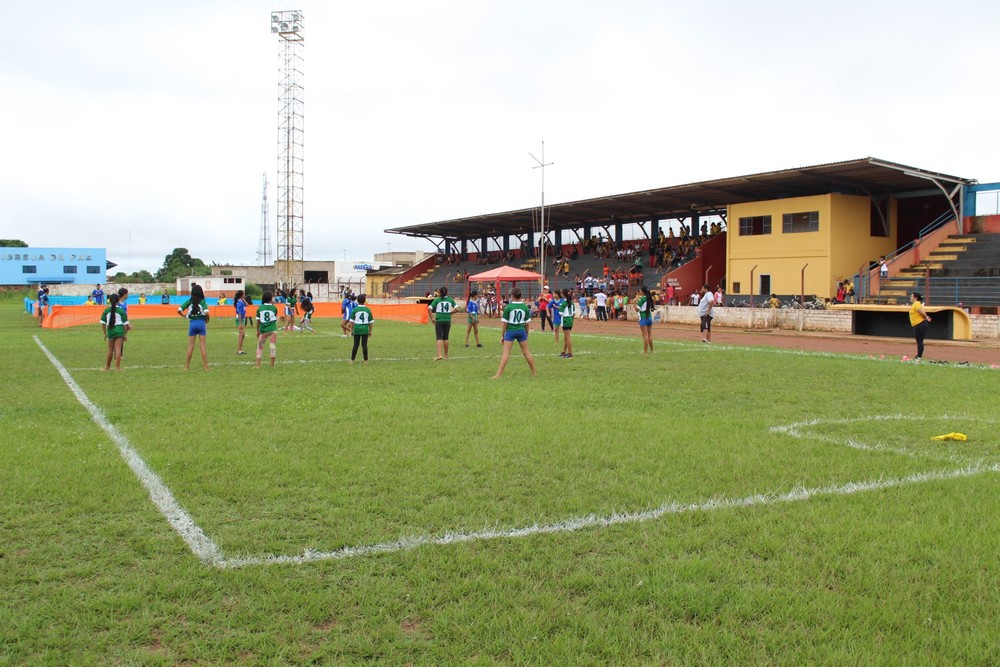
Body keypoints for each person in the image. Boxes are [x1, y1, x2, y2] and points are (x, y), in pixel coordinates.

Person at [492, 287, 537, 379]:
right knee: (527, 353)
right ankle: (534, 373)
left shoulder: (508, 307)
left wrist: (502, 335)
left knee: (506, 353)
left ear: (512, 296)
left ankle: (499, 374)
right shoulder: (525, 307)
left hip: (510, 331)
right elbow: (527, 324)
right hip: (521, 331)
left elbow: (505, 324)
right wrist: (526, 334)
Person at [178, 284, 210, 371]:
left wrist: (184, 316)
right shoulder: (203, 302)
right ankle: (206, 367)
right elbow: (206, 312)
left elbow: (179, 309)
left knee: (191, 346)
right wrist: (207, 319)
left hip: (192, 323)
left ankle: (187, 366)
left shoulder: (189, 301)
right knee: (202, 345)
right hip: (201, 323)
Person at [99, 293, 129, 372]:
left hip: (110, 330)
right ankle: (117, 367)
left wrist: (105, 334)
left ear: (109, 301)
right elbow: (125, 325)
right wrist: (125, 335)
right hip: (119, 330)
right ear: (118, 301)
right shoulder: (121, 310)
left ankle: (107, 367)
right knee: (118, 349)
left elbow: (103, 323)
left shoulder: (106, 310)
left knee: (110, 349)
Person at [428, 285, 458, 360]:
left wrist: (432, 318)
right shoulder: (450, 300)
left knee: (439, 337)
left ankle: (439, 355)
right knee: (446, 337)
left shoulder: (437, 300)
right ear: (447, 292)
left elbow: (429, 308)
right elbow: (457, 309)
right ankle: (446, 356)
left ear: (439, 293)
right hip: (447, 320)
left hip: (439, 320)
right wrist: (450, 313)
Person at [255, 291, 279, 368]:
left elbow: (258, 320)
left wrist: (257, 330)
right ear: (270, 298)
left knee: (260, 347)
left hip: (263, 330)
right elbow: (275, 316)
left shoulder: (260, 308)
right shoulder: (274, 307)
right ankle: (272, 365)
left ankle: (258, 365)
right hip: (273, 329)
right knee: (272, 346)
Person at [349, 293, 374, 363]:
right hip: (365, 328)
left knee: (356, 344)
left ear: (357, 300)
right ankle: (366, 360)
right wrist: (370, 330)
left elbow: (351, 322)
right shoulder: (368, 310)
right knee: (364, 345)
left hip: (357, 328)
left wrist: (352, 330)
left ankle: (352, 360)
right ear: (365, 300)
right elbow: (371, 322)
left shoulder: (355, 310)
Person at [909, 292, 932, 362]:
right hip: (918, 324)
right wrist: (926, 317)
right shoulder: (916, 304)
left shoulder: (917, 304)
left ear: (915, 298)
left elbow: (921, 311)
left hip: (920, 324)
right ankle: (918, 357)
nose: (910, 297)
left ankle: (918, 358)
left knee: (919, 341)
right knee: (919, 341)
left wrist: (925, 317)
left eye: (911, 296)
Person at [636, 285, 655, 354]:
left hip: (643, 317)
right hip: (649, 317)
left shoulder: (642, 299)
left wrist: (633, 302)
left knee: (645, 335)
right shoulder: (649, 298)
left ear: (642, 291)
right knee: (649, 335)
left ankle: (645, 351)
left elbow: (636, 309)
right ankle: (652, 350)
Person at [558, 288, 575, 358]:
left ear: (563, 294)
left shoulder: (563, 303)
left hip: (565, 320)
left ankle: (570, 353)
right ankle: (563, 352)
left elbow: (560, 313)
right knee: (566, 337)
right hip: (570, 319)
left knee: (567, 337)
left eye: (561, 293)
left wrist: (558, 308)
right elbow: (573, 313)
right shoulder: (572, 302)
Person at [233, 290, 249, 355]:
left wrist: (243, 300)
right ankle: (239, 350)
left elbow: (247, 305)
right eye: (243, 294)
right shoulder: (239, 302)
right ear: (241, 295)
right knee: (241, 334)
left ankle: (240, 349)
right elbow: (239, 313)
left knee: (242, 335)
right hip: (239, 319)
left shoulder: (241, 301)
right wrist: (240, 323)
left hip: (242, 318)